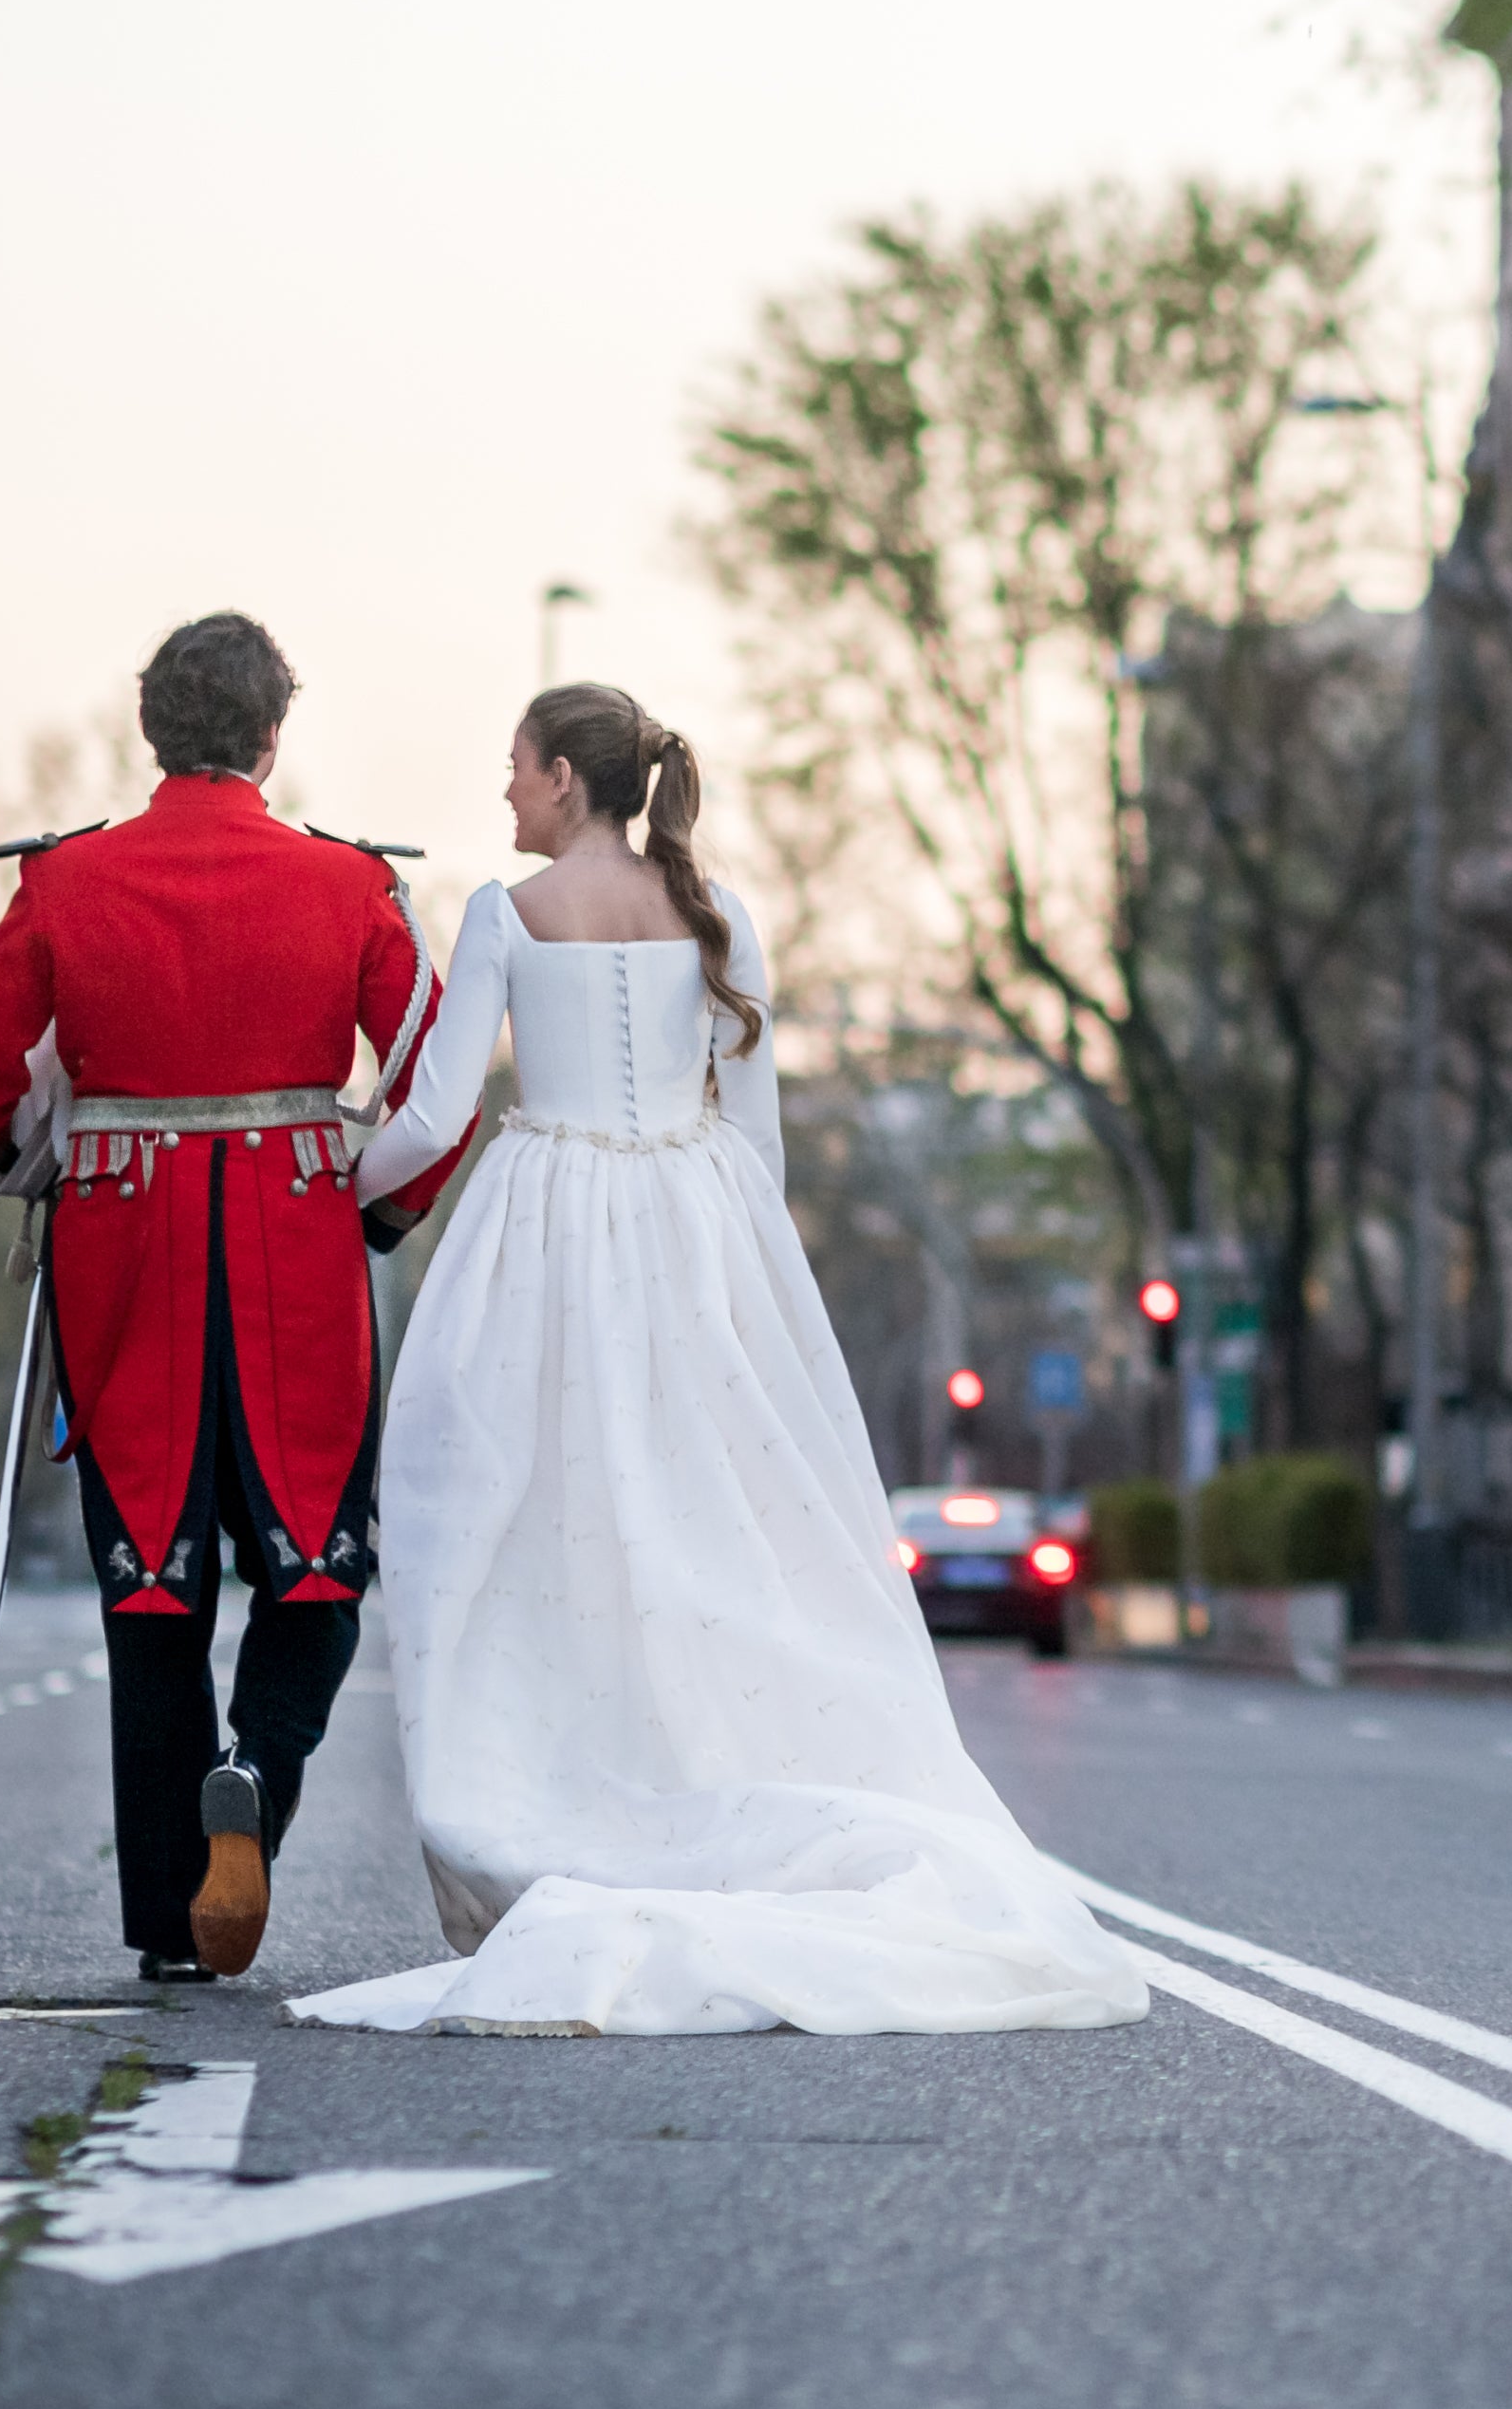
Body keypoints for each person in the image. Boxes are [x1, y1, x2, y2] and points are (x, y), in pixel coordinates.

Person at [289, 683, 1148, 2038]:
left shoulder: (503, 916)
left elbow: (439, 1109)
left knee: (534, 1528)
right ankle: (701, 1781)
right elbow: (757, 1140)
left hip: (549, 1232)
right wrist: (749, 1293)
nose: (502, 795)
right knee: (703, 1524)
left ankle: (565, 1798)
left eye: (514, 769)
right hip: (693, 1231)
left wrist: (327, 1181)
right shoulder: (720, 914)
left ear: (567, 778)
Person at [0, 610, 422, 1983]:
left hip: (124, 1246)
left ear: (149, 730)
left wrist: (17, 1166)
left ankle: (169, 1925)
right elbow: (436, 1073)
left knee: (151, 1584)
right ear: (274, 733)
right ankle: (254, 1774)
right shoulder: (348, 886)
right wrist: (372, 1198)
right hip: (297, 1245)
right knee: (317, 1559)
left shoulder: (64, 884)